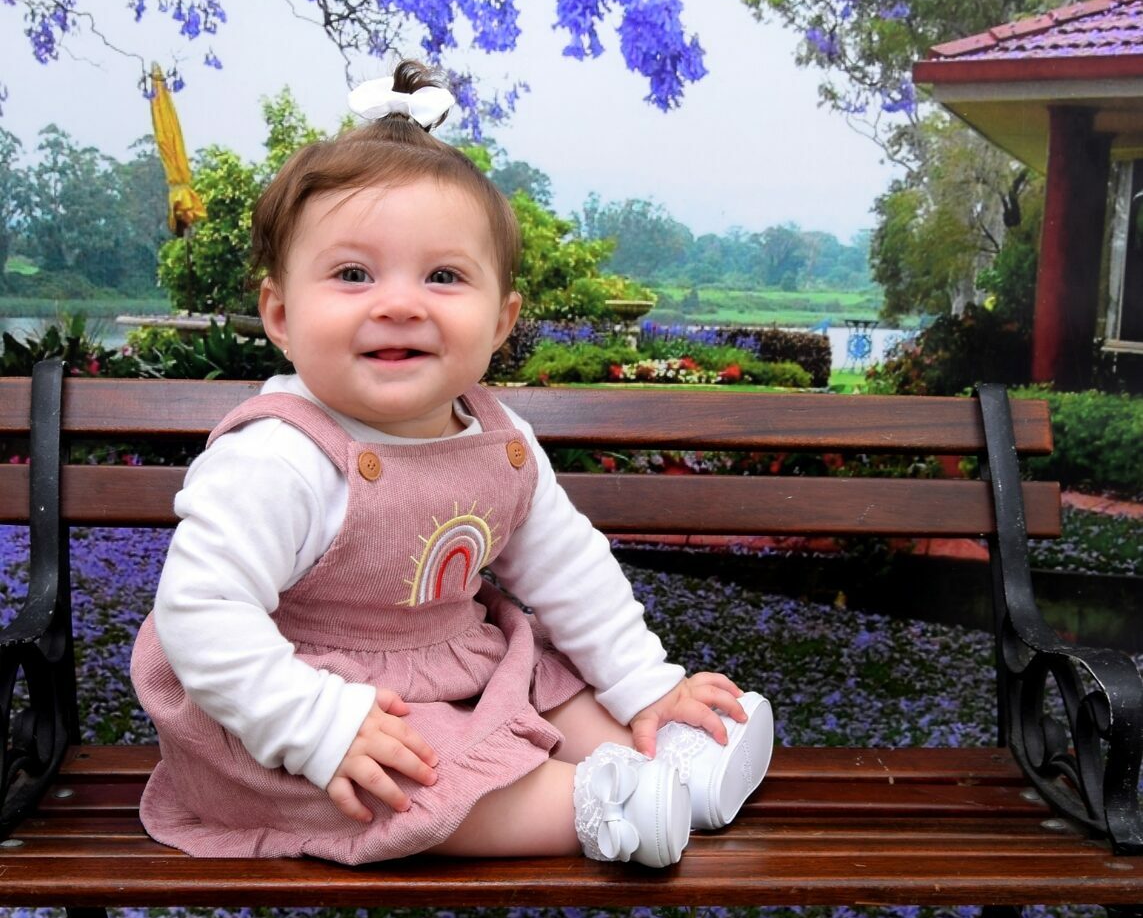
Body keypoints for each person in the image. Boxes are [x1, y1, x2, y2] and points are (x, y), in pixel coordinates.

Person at [130, 62, 774, 870]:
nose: (400, 304)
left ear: (500, 320)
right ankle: (592, 805)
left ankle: (659, 752)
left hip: (453, 664)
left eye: (443, 276)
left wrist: (644, 682)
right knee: (412, 777)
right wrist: (317, 725)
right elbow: (201, 615)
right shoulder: (279, 456)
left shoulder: (499, 439)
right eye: (353, 275)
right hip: (298, 706)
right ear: (281, 314)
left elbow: (571, 573)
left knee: (550, 673)